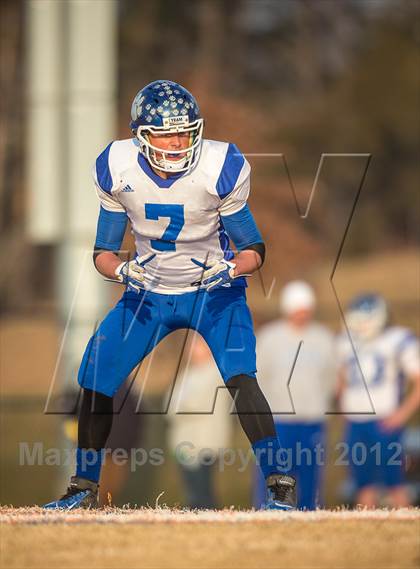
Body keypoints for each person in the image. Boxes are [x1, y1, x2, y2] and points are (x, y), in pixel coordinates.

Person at [43, 79, 296, 510]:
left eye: (185, 131)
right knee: (96, 375)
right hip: (149, 294)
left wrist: (232, 266)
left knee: (239, 377)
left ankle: (278, 484)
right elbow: (103, 253)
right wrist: (122, 270)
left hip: (213, 291)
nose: (178, 143)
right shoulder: (116, 165)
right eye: (167, 133)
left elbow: (255, 249)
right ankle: (83, 487)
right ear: (141, 135)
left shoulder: (219, 165)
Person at [254, 281, 336, 509]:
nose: (301, 314)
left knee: (310, 481)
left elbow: (332, 376)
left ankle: (309, 517)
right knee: (278, 481)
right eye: (297, 309)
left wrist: (321, 403)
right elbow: (259, 377)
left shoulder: (323, 337)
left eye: (305, 309)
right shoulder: (270, 337)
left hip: (312, 420)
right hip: (279, 422)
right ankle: (274, 521)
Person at [336, 293, 420, 508]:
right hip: (356, 422)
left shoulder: (398, 339)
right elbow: (342, 376)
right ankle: (367, 537)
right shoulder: (346, 340)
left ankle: (408, 536)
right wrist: (343, 405)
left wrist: (401, 415)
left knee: (395, 486)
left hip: (384, 421)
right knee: (363, 487)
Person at [166, 333, 232, 509]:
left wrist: (177, 408)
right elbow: (170, 404)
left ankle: (211, 529)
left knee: (202, 492)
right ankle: (197, 530)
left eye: (197, 345)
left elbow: (193, 405)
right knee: (192, 492)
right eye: (191, 345)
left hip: (204, 443)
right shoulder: (189, 373)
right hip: (186, 443)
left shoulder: (216, 373)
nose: (191, 349)